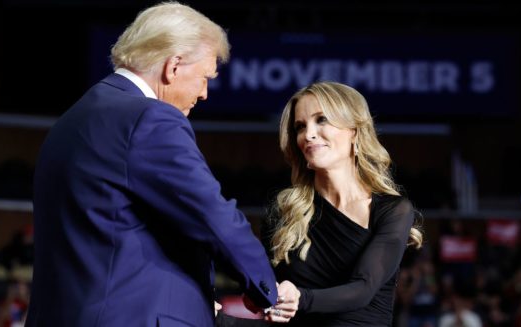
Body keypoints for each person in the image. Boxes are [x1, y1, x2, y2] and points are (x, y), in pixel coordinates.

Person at [25, 2, 278, 326]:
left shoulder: (72, 120)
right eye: (204, 78)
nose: (204, 94)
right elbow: (212, 215)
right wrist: (267, 289)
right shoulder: (149, 118)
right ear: (174, 66)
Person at [261, 81, 423, 326]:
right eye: (300, 126)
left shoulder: (392, 210)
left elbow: (363, 288)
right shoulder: (283, 214)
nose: (308, 134)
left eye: (321, 120)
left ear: (354, 132)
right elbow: (274, 311)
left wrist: (300, 298)